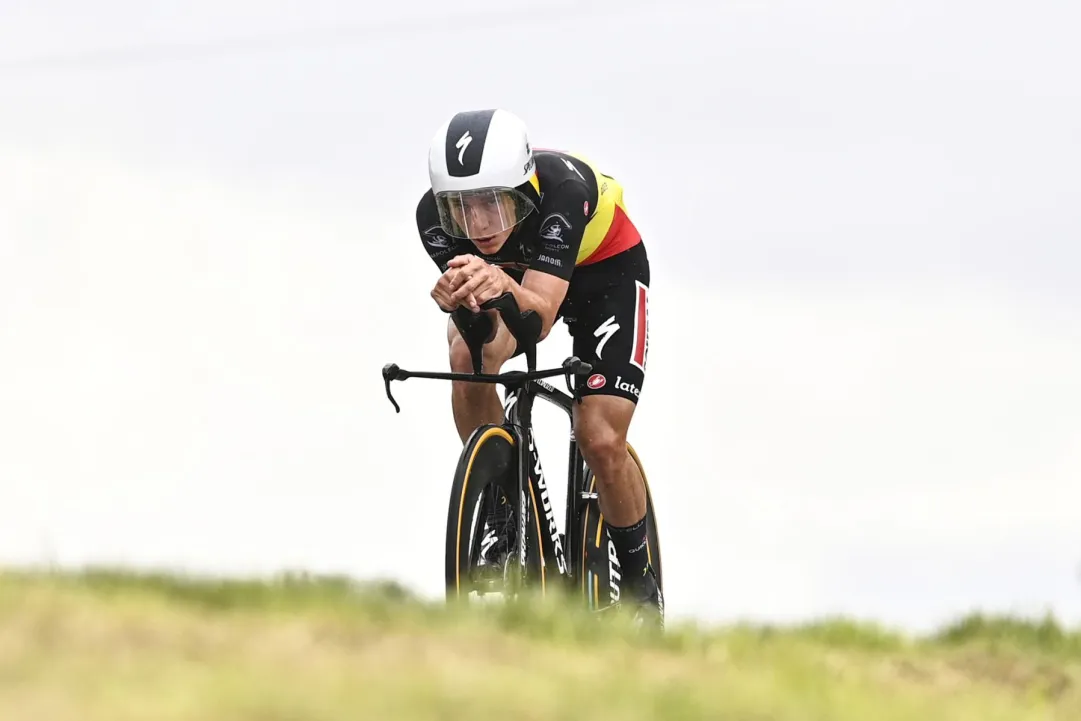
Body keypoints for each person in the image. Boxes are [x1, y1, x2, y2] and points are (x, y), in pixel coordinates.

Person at [415, 108, 662, 627]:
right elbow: (484, 335)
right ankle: (501, 499)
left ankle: (642, 588)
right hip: (517, 279)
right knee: (465, 353)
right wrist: (459, 306)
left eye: (494, 206)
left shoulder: (563, 194)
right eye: (461, 210)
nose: (478, 226)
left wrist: (500, 284)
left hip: (604, 277)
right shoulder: (432, 222)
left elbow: (539, 320)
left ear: (524, 189)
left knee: (598, 436)